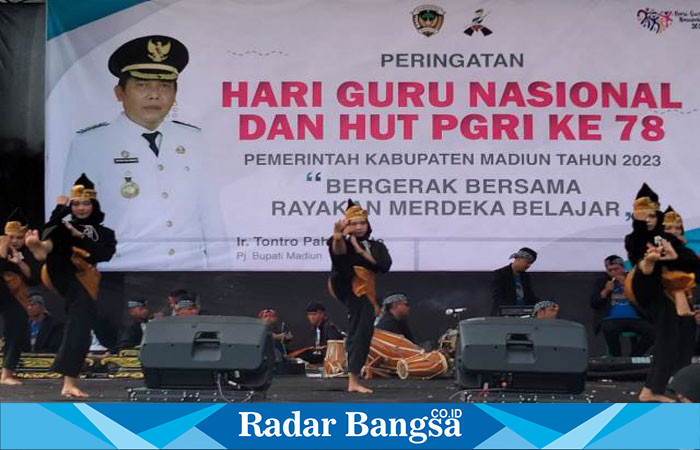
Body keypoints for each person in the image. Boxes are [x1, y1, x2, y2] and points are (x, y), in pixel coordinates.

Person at [62, 35, 225, 270]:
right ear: (119, 92)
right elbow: (74, 218)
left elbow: (212, 216)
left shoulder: (193, 139)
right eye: (142, 85)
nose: (154, 94)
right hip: (122, 271)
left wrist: (221, 271)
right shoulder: (91, 143)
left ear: (175, 94)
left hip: (189, 268)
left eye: (164, 86)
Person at [25, 173, 117, 398]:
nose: (81, 208)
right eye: (76, 204)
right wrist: (59, 209)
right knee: (53, 238)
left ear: (93, 205)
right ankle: (40, 249)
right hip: (62, 271)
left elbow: (105, 254)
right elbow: (49, 229)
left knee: (83, 324)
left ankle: (72, 377)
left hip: (85, 277)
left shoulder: (105, 233)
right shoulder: (65, 225)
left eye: (86, 203)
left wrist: (81, 237)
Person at [624, 184, 699, 402]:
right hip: (650, 290)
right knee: (667, 337)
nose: (647, 220)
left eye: (651, 215)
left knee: (684, 333)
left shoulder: (667, 238)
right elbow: (643, 268)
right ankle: (652, 389)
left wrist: (674, 256)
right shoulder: (635, 239)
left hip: (673, 294)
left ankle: (675, 385)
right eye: (642, 216)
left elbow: (691, 263)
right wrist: (651, 260)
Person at [328, 199, 392, 393]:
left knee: (363, 329)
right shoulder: (340, 241)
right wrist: (340, 237)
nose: (358, 227)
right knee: (360, 329)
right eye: (353, 223)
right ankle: (353, 382)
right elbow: (338, 255)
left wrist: (359, 249)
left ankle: (354, 377)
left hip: (364, 289)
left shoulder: (375, 246)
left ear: (368, 224)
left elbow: (383, 266)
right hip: (347, 285)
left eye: (361, 223)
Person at [0, 208, 41, 385]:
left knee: (16, 330)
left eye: (19, 237)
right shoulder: (1, 246)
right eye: (11, 237)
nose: (15, 241)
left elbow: (34, 278)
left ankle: (6, 373)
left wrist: (20, 262)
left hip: (15, 295)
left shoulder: (28, 252)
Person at [590, 255, 654, 356]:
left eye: (616, 269)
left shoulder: (634, 279)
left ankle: (635, 355)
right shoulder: (602, 281)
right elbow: (594, 303)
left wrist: (626, 286)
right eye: (609, 270)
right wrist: (605, 291)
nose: (613, 272)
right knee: (608, 328)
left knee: (652, 332)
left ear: (623, 268)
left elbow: (644, 299)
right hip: (611, 318)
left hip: (636, 318)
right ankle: (617, 357)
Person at [491, 247, 538, 316]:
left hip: (524, 315)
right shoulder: (500, 274)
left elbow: (530, 296)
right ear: (518, 259)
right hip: (504, 316)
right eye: (527, 262)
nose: (529, 266)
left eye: (531, 263)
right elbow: (497, 296)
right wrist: (510, 310)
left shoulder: (526, 277)